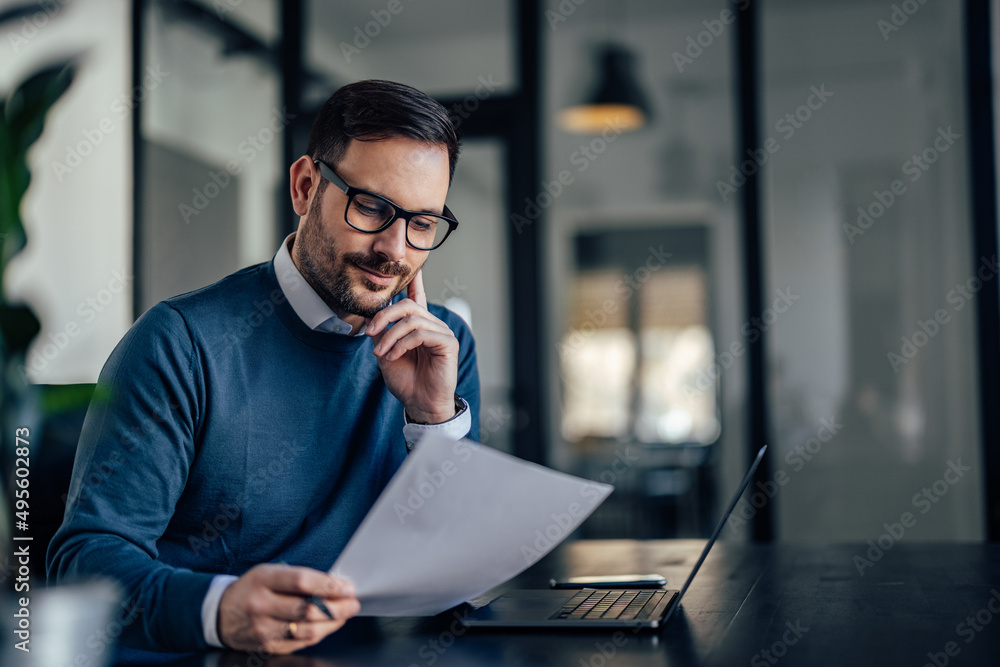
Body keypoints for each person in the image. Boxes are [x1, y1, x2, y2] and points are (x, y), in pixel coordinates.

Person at [46, 79, 480, 656]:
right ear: (304, 187)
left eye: (422, 223)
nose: (395, 250)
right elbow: (83, 564)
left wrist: (432, 420)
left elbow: (461, 569)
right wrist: (217, 610)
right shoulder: (179, 343)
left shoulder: (443, 348)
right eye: (372, 207)